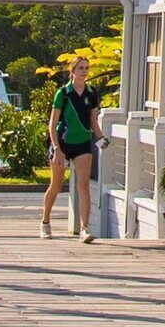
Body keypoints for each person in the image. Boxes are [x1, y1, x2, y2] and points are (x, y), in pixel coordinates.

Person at [39, 52, 103, 242]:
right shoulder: (63, 93)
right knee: (56, 185)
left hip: (82, 142)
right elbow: (53, 123)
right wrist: (56, 148)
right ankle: (45, 222)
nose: (84, 72)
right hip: (62, 142)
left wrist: (101, 138)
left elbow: (93, 121)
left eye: (86, 68)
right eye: (80, 68)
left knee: (83, 185)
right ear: (72, 71)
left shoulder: (91, 93)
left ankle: (84, 229)